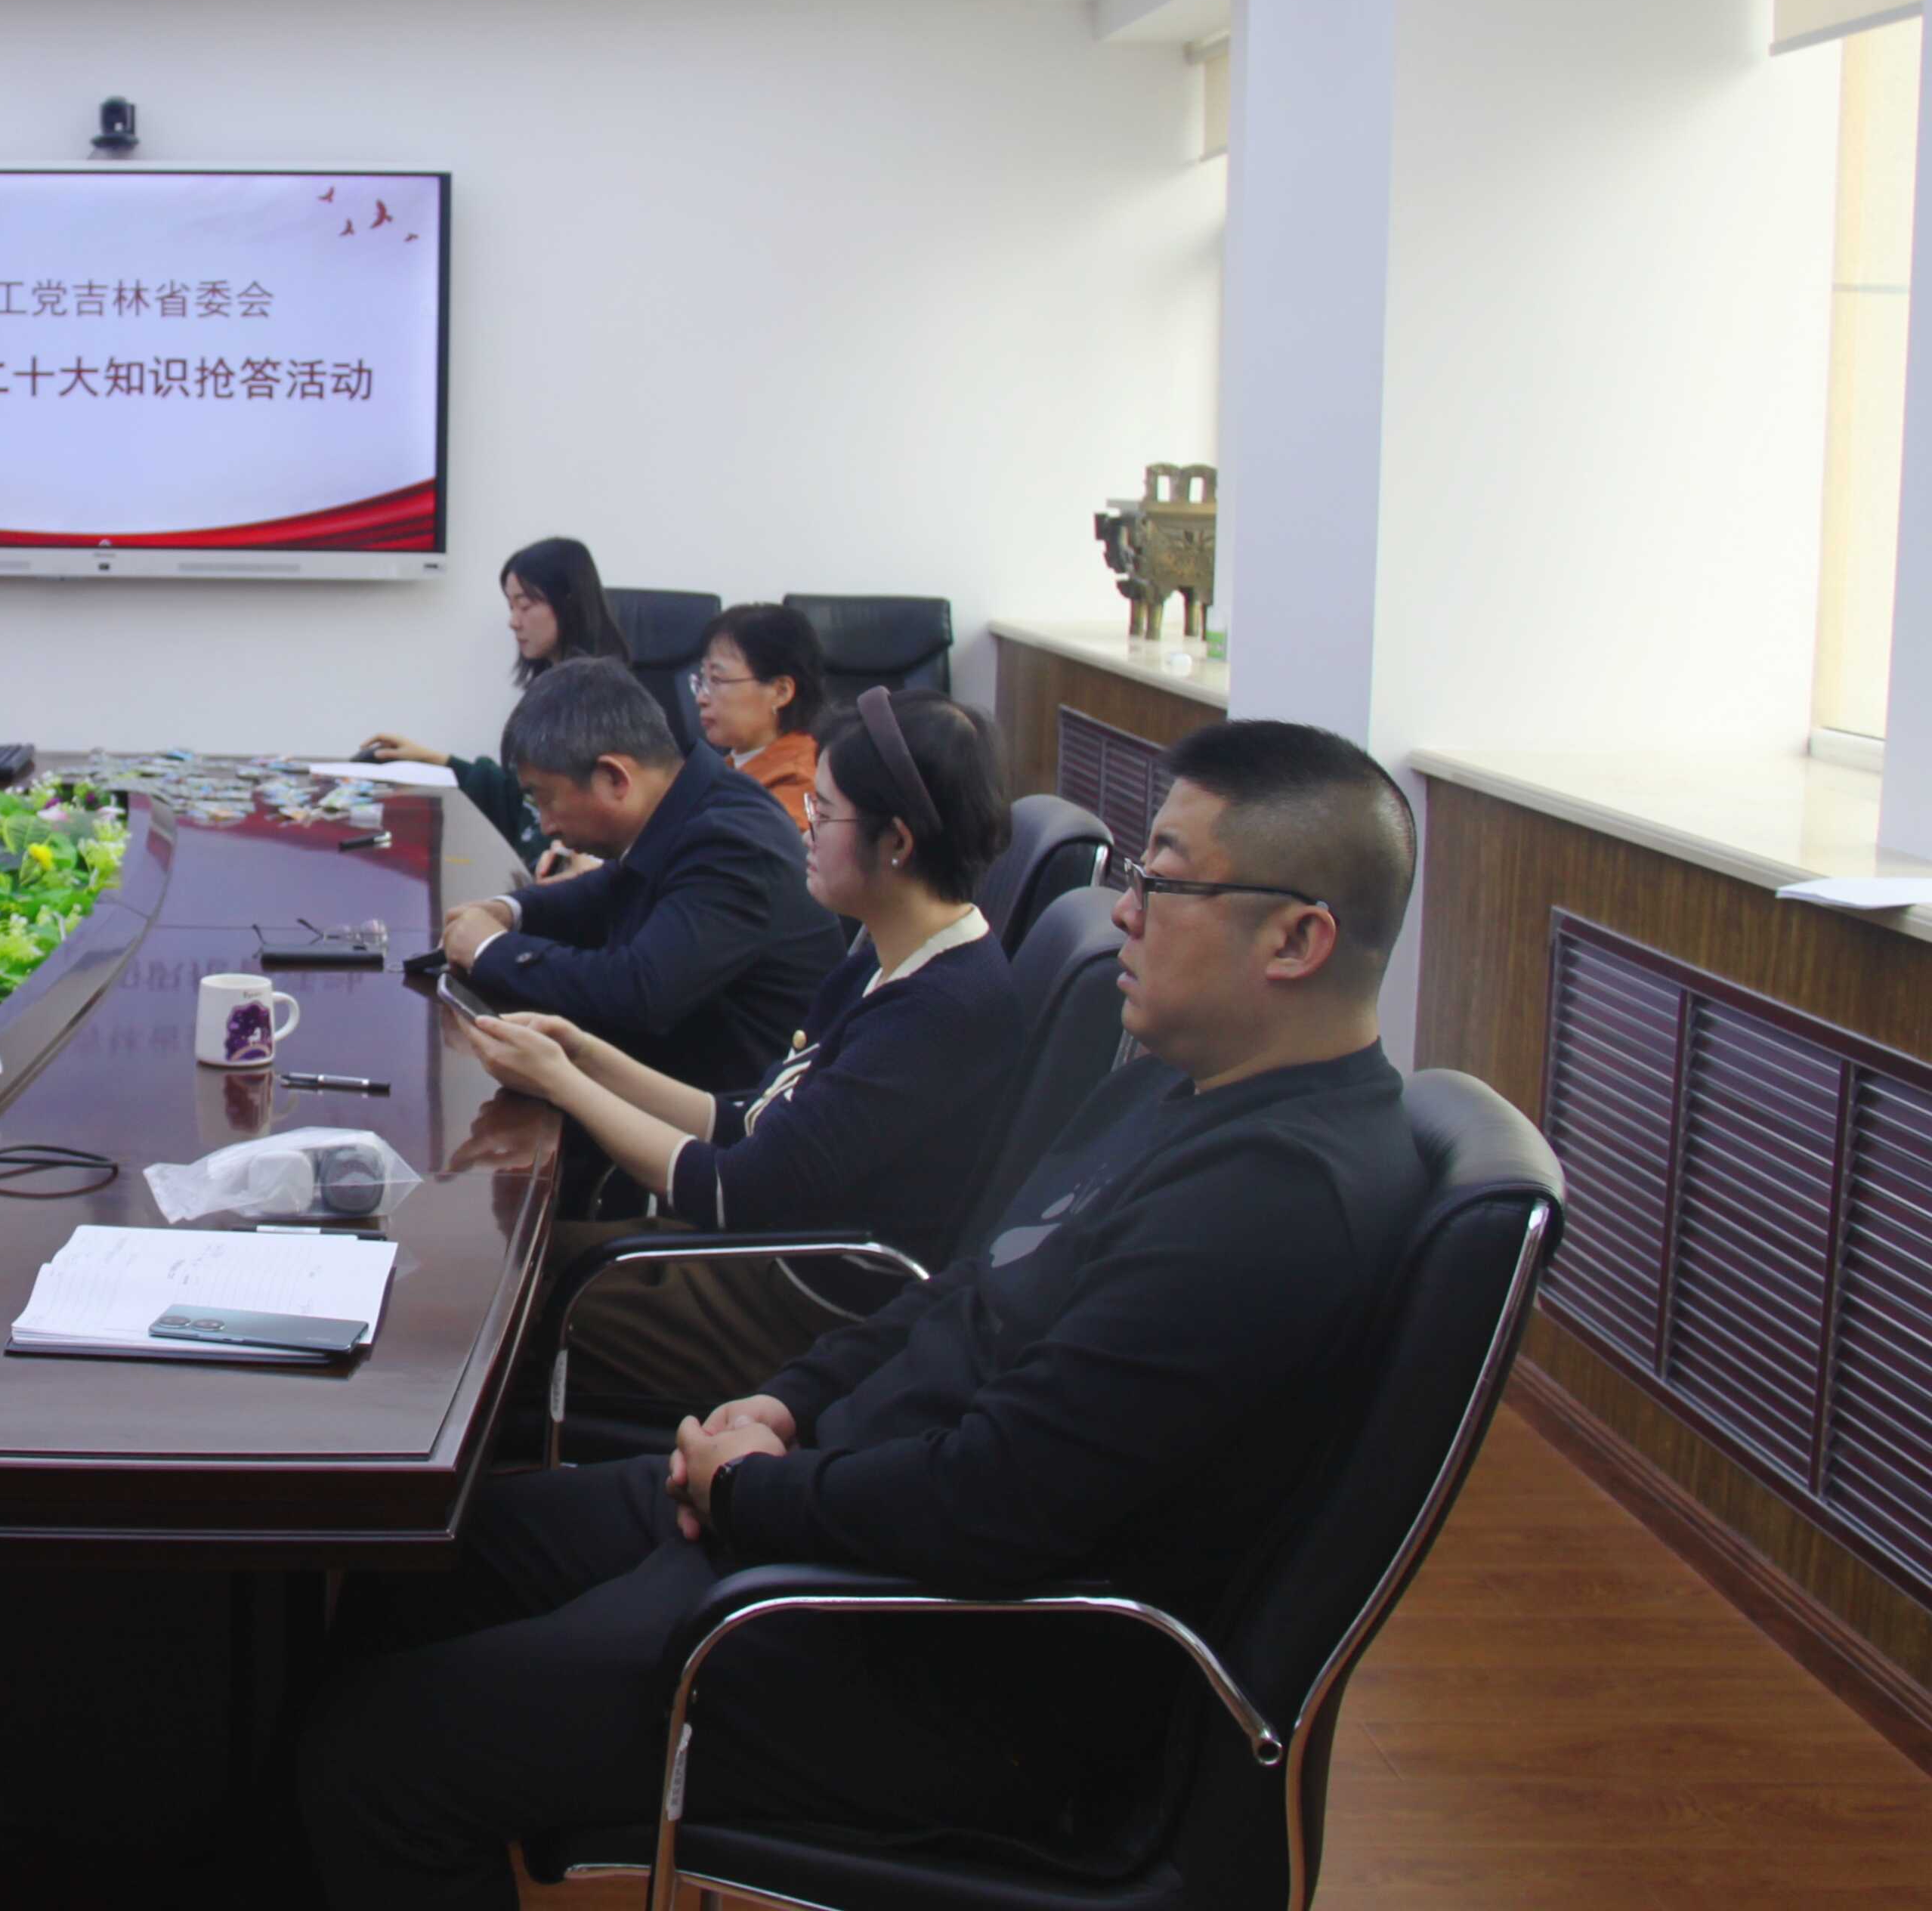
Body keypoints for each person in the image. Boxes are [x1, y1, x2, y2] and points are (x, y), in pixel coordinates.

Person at [302, 719, 1427, 1909]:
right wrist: (783, 1403)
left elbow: (992, 1504)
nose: (1128, 913)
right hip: (833, 1511)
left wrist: (750, 1490)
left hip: (933, 1654)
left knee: (375, 1758)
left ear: (1297, 939)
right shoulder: (1182, 1086)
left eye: (1167, 882)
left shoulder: (1273, 1208)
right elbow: (963, 1290)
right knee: (408, 1564)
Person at [466, 688, 1019, 1399]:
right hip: (762, 1261)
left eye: (824, 812)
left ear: (898, 842)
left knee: (496, 1294)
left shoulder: (938, 1012)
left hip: (797, 1314)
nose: (805, 831)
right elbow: (748, 1121)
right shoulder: (889, 952)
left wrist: (563, 1084)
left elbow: (733, 1193)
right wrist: (584, 1055)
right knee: (504, 1258)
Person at [436, 659, 843, 1096]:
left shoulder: (733, 843)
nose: (548, 826)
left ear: (615, 778)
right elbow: (606, 889)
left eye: (546, 799)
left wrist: (490, 949)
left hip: (736, 1116)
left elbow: (640, 994)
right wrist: (509, 911)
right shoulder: (691, 799)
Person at [362, 535, 629, 861]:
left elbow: (582, 824)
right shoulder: (550, 692)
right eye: (511, 607)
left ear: (568, 603)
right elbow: (520, 798)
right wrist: (433, 760)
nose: (513, 621)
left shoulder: (602, 703)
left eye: (525, 606)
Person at [691, 600, 832, 833]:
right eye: (702, 680)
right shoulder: (727, 767)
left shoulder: (798, 783)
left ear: (780, 692)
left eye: (717, 680)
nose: (701, 698)